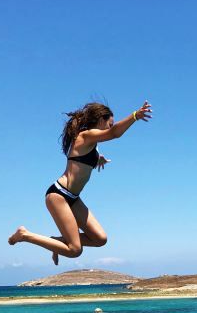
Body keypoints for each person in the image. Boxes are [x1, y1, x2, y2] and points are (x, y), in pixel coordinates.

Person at [8, 100, 152, 263]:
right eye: (109, 124)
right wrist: (135, 116)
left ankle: (57, 241)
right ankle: (25, 235)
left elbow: (81, 159)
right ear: (100, 120)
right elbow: (114, 134)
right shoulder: (85, 135)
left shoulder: (92, 144)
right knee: (74, 250)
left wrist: (98, 159)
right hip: (59, 195)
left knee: (100, 239)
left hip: (73, 198)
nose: (109, 128)